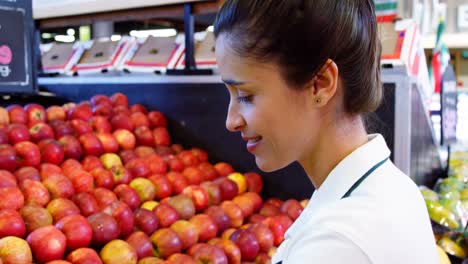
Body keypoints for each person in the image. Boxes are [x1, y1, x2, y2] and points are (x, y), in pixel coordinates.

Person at [213, 1, 439, 263]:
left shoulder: (336, 244)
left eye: (246, 95)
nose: (231, 121)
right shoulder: (394, 190)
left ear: (320, 84)